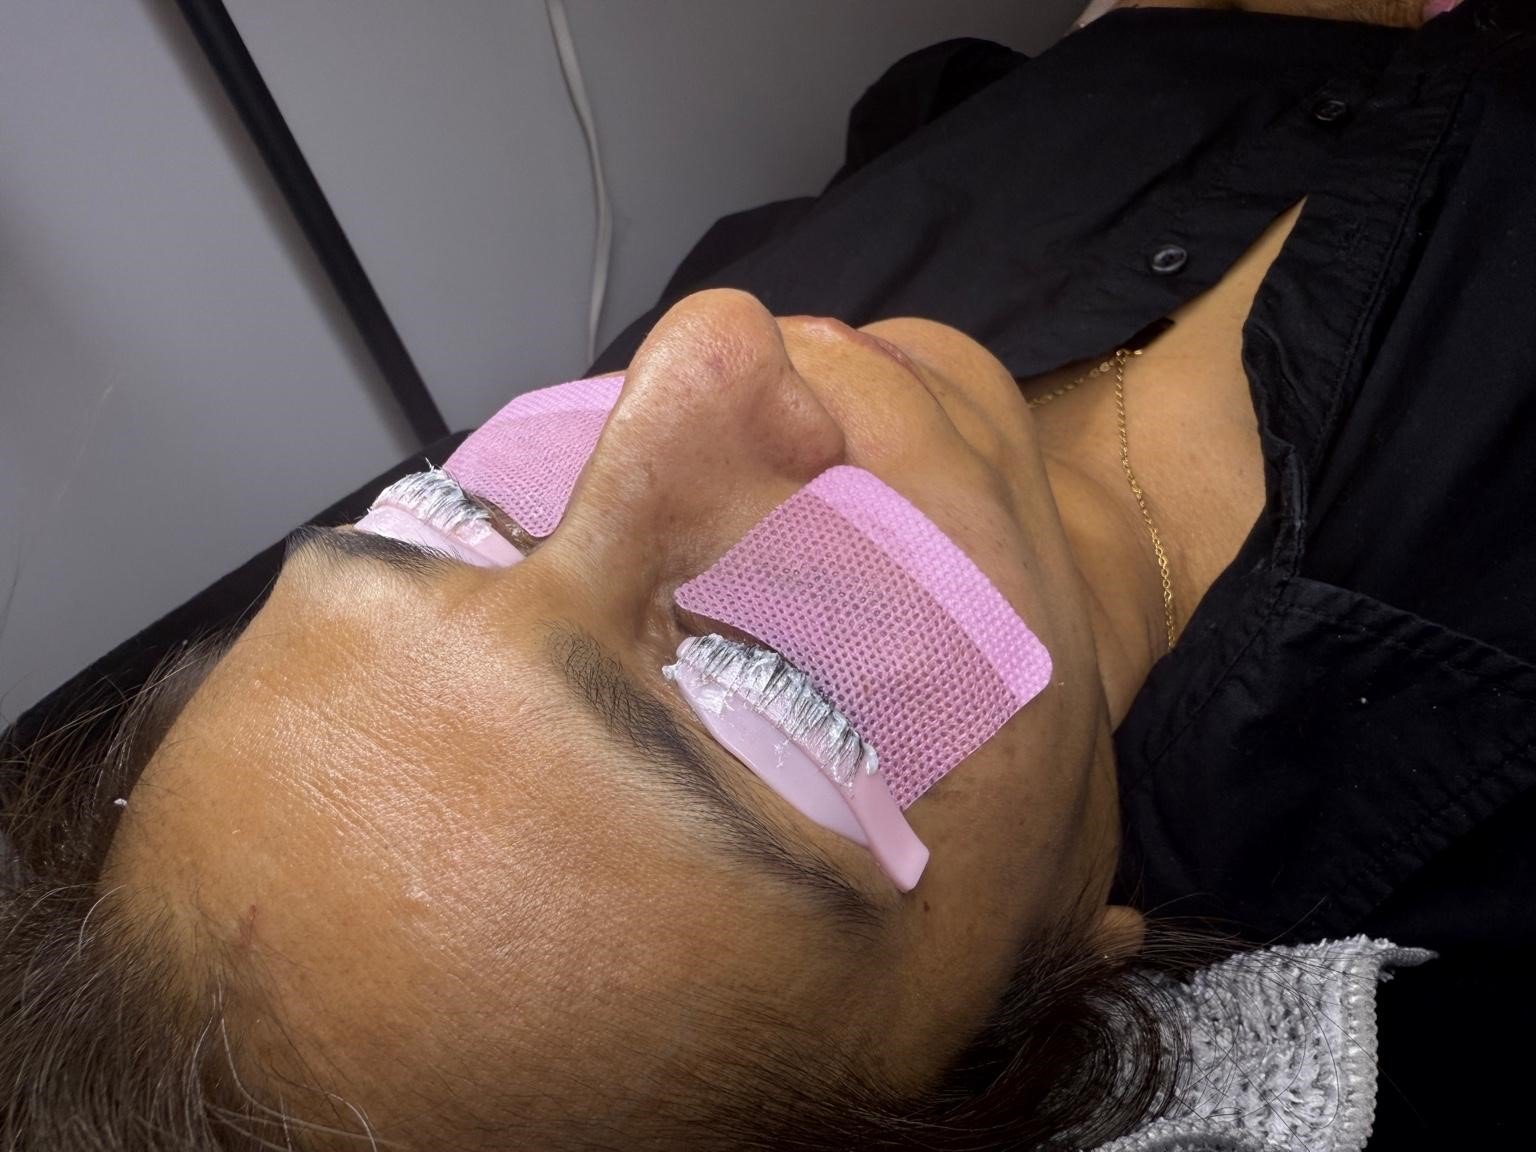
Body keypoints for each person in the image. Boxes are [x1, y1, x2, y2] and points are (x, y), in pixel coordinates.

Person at [1, 0, 1530, 1147]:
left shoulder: (680, 395)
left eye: (449, 517)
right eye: (764, 681)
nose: (707, 348)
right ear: (1065, 989)